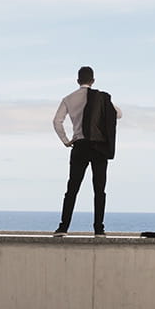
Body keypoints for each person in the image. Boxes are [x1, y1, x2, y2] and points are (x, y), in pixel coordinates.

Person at [52, 66, 120, 236]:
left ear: (77, 80)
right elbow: (118, 114)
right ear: (93, 80)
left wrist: (66, 141)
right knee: (99, 189)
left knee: (72, 188)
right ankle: (99, 229)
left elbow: (57, 121)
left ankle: (63, 228)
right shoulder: (101, 98)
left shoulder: (68, 98)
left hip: (79, 145)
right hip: (98, 147)